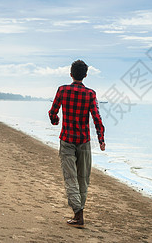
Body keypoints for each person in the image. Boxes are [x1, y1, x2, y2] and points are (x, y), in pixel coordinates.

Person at [48, 60, 105, 228]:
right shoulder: (90, 94)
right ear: (85, 75)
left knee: (71, 178)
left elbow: (52, 112)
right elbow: (97, 118)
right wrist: (101, 139)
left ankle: (78, 214)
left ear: (70, 74)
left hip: (67, 140)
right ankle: (78, 213)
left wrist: (55, 120)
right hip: (84, 142)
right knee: (83, 179)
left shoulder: (63, 90)